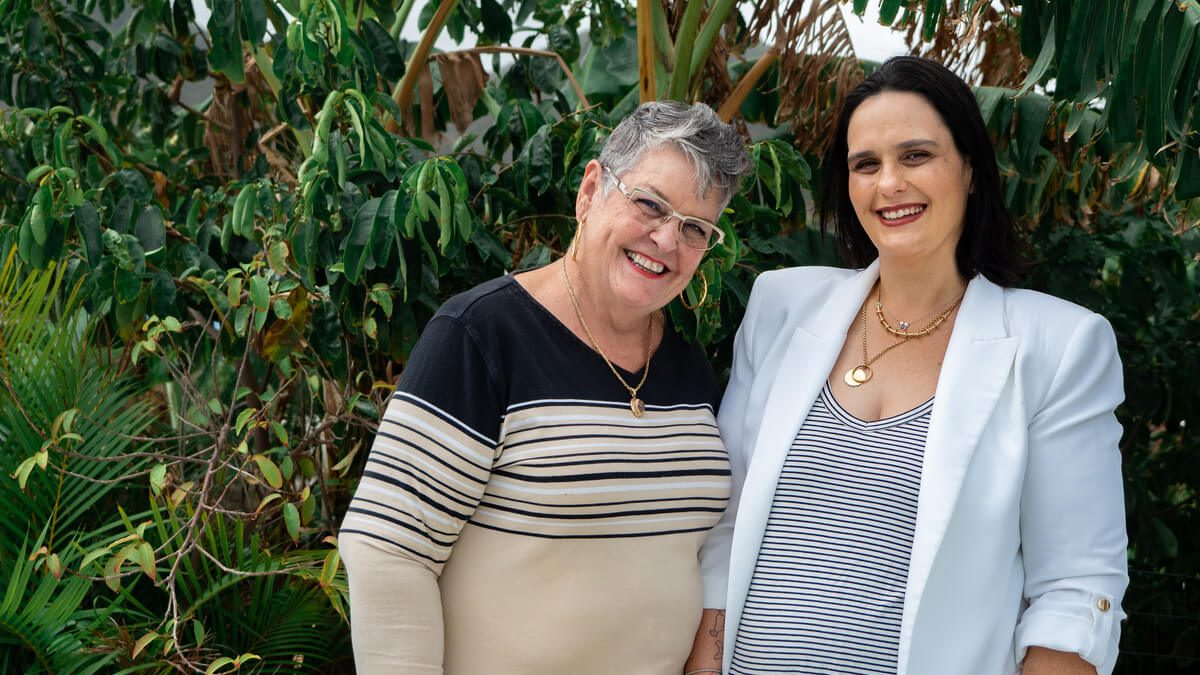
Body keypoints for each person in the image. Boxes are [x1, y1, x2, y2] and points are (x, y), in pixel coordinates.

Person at [686, 56, 1128, 675]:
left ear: (971, 169)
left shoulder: (1059, 345)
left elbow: (1078, 590)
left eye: (916, 155)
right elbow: (726, 525)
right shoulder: (781, 307)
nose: (888, 183)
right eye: (865, 164)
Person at [339, 101, 752, 674]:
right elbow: (387, 550)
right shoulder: (481, 336)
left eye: (694, 228)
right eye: (650, 204)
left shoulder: (688, 368)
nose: (665, 239)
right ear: (590, 191)